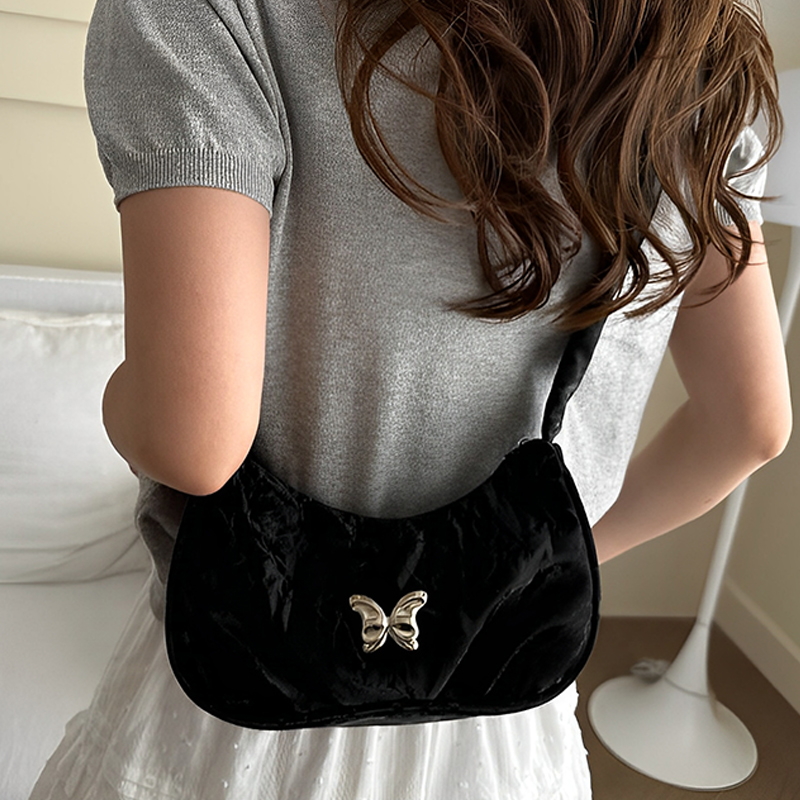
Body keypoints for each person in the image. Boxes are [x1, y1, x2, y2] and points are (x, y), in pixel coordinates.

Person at [30, 0, 791, 797]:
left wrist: (116, 396)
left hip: (241, 690)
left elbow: (191, 439)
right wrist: (516, 577)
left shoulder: (201, 14)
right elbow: (749, 425)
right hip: (502, 712)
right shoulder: (704, 48)